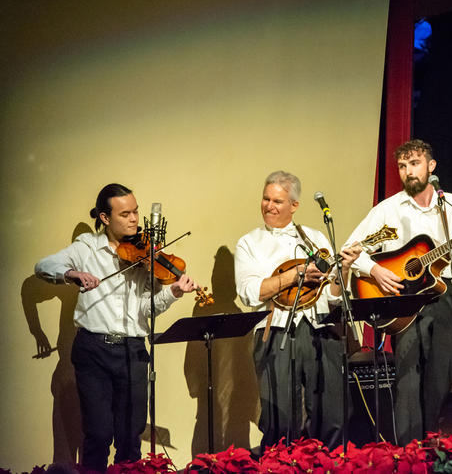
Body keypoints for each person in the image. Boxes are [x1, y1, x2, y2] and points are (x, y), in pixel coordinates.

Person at [343, 139, 452, 445]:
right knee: (407, 373)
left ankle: (428, 441)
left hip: (444, 297)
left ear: (431, 167)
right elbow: (351, 248)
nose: (407, 172)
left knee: (441, 374)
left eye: (414, 164)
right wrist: (375, 271)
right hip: (404, 302)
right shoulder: (387, 210)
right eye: (402, 166)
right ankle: (406, 449)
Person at [35, 183, 199, 472]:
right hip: (93, 350)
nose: (135, 219)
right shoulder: (86, 247)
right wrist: (71, 274)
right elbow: (43, 266)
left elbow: (146, 310)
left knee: (130, 436)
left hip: (133, 349)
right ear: (105, 218)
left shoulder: (143, 253)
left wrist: (172, 293)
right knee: (97, 435)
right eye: (125, 214)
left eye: (136, 211)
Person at [234, 170, 361, 450]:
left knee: (333, 413)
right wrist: (295, 275)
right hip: (277, 331)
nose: (269, 206)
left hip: (320, 329)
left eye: (277, 201)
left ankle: (330, 465)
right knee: (280, 419)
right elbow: (249, 293)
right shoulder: (249, 243)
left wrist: (346, 270)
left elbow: (331, 296)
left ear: (294, 206)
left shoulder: (315, 239)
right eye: (266, 199)